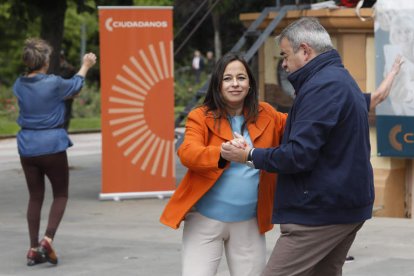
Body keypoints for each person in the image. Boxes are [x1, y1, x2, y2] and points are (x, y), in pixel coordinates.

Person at [221, 17, 403, 276]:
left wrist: (248, 155)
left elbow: (298, 155)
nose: (283, 64)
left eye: (285, 55)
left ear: (305, 51)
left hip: (321, 210)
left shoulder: (322, 87)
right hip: (342, 206)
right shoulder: (337, 78)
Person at [160, 52, 288, 276]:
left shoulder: (267, 113)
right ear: (217, 84)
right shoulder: (200, 116)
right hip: (204, 220)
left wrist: (362, 101)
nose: (235, 84)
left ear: (250, 83)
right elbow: (187, 153)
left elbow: (303, 123)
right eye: (227, 78)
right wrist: (221, 153)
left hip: (249, 221)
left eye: (241, 77)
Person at [13, 38, 96, 266]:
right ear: (44, 62)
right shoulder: (53, 83)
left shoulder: (19, 84)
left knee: (35, 196)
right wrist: (86, 65)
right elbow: (76, 86)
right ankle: (47, 241)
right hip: (51, 145)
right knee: (60, 194)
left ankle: (32, 249)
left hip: (27, 146)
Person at [58, 50, 77, 130]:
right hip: (58, 96)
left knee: (66, 114)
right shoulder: (55, 69)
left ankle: (64, 130)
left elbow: (75, 82)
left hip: (67, 96)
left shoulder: (70, 69)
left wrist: (73, 94)